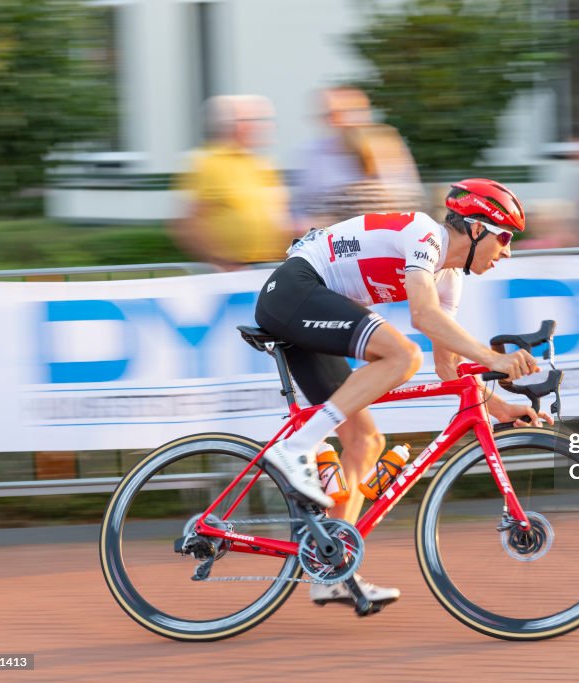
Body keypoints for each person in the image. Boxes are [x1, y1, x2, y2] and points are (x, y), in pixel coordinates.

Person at [254, 178, 550, 605]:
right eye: (504, 237)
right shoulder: (425, 236)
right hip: (294, 290)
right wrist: (494, 359)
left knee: (367, 442)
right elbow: (422, 316)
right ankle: (297, 447)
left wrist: (499, 406)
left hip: (312, 313)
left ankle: (330, 570)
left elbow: (448, 366)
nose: (507, 250)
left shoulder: (449, 279)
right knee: (402, 356)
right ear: (474, 228)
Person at [173, 95, 292, 269]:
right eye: (256, 120)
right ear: (235, 124)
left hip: (271, 266)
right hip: (231, 271)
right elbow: (187, 224)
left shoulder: (264, 163)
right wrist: (218, 263)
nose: (264, 126)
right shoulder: (206, 163)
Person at [290, 86, 424, 231]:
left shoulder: (385, 147)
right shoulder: (314, 153)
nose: (337, 121)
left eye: (344, 113)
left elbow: (408, 204)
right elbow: (301, 208)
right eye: (329, 114)